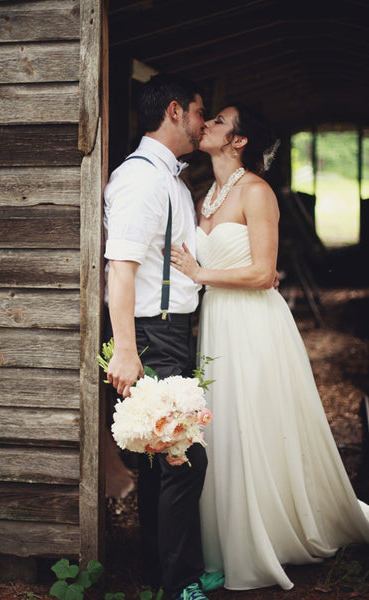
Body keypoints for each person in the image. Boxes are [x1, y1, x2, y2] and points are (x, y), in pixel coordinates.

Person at [170, 103, 369, 591]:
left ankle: (272, 537)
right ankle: (229, 540)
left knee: (254, 422)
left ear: (238, 141)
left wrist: (200, 274)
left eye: (218, 121)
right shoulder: (209, 195)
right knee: (226, 427)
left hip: (255, 324)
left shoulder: (256, 192)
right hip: (218, 320)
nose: (208, 125)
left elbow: (263, 274)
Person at [103, 73, 210, 600]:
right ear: (174, 111)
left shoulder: (168, 177)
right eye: (198, 112)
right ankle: (179, 584)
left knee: (160, 458)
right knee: (183, 457)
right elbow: (119, 269)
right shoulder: (141, 179)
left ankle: (159, 571)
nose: (202, 123)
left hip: (170, 332)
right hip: (151, 335)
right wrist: (126, 348)